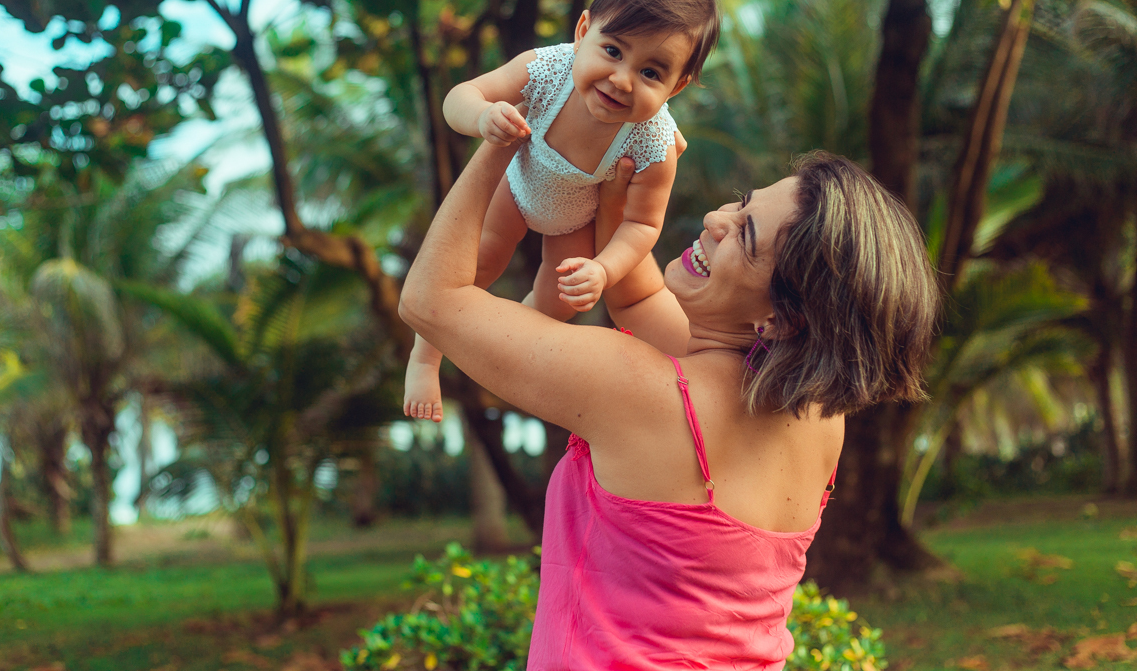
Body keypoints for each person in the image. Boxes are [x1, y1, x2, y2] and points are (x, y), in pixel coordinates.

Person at [399, 139, 940, 668]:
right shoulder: (819, 414)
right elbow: (634, 298)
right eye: (743, 200)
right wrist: (624, 183)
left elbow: (430, 301)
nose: (715, 219)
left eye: (744, 234)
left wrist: (499, 144)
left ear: (782, 318)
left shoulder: (642, 394)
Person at [402, 0, 721, 423]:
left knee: (555, 307)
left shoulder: (655, 143)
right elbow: (461, 95)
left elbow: (642, 224)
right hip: (515, 189)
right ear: (583, 30)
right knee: (475, 267)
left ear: (678, 86)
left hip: (574, 220)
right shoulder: (547, 70)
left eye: (652, 73)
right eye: (613, 50)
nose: (622, 79)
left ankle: (499, 351)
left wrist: (603, 269)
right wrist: (482, 117)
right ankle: (424, 358)